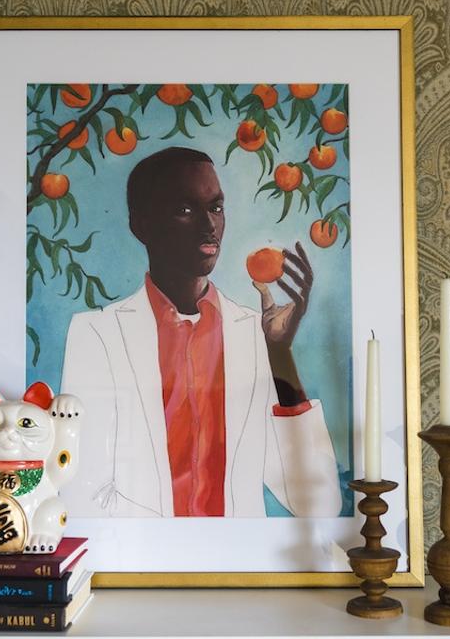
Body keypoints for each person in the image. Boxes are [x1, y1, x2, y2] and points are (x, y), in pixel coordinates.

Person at [60, 147, 341, 518]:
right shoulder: (97, 335)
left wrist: (280, 356)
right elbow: (83, 494)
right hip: (142, 565)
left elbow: (317, 505)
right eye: (186, 210)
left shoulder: (255, 334)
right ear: (140, 225)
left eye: (216, 208)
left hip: (236, 567)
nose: (209, 225)